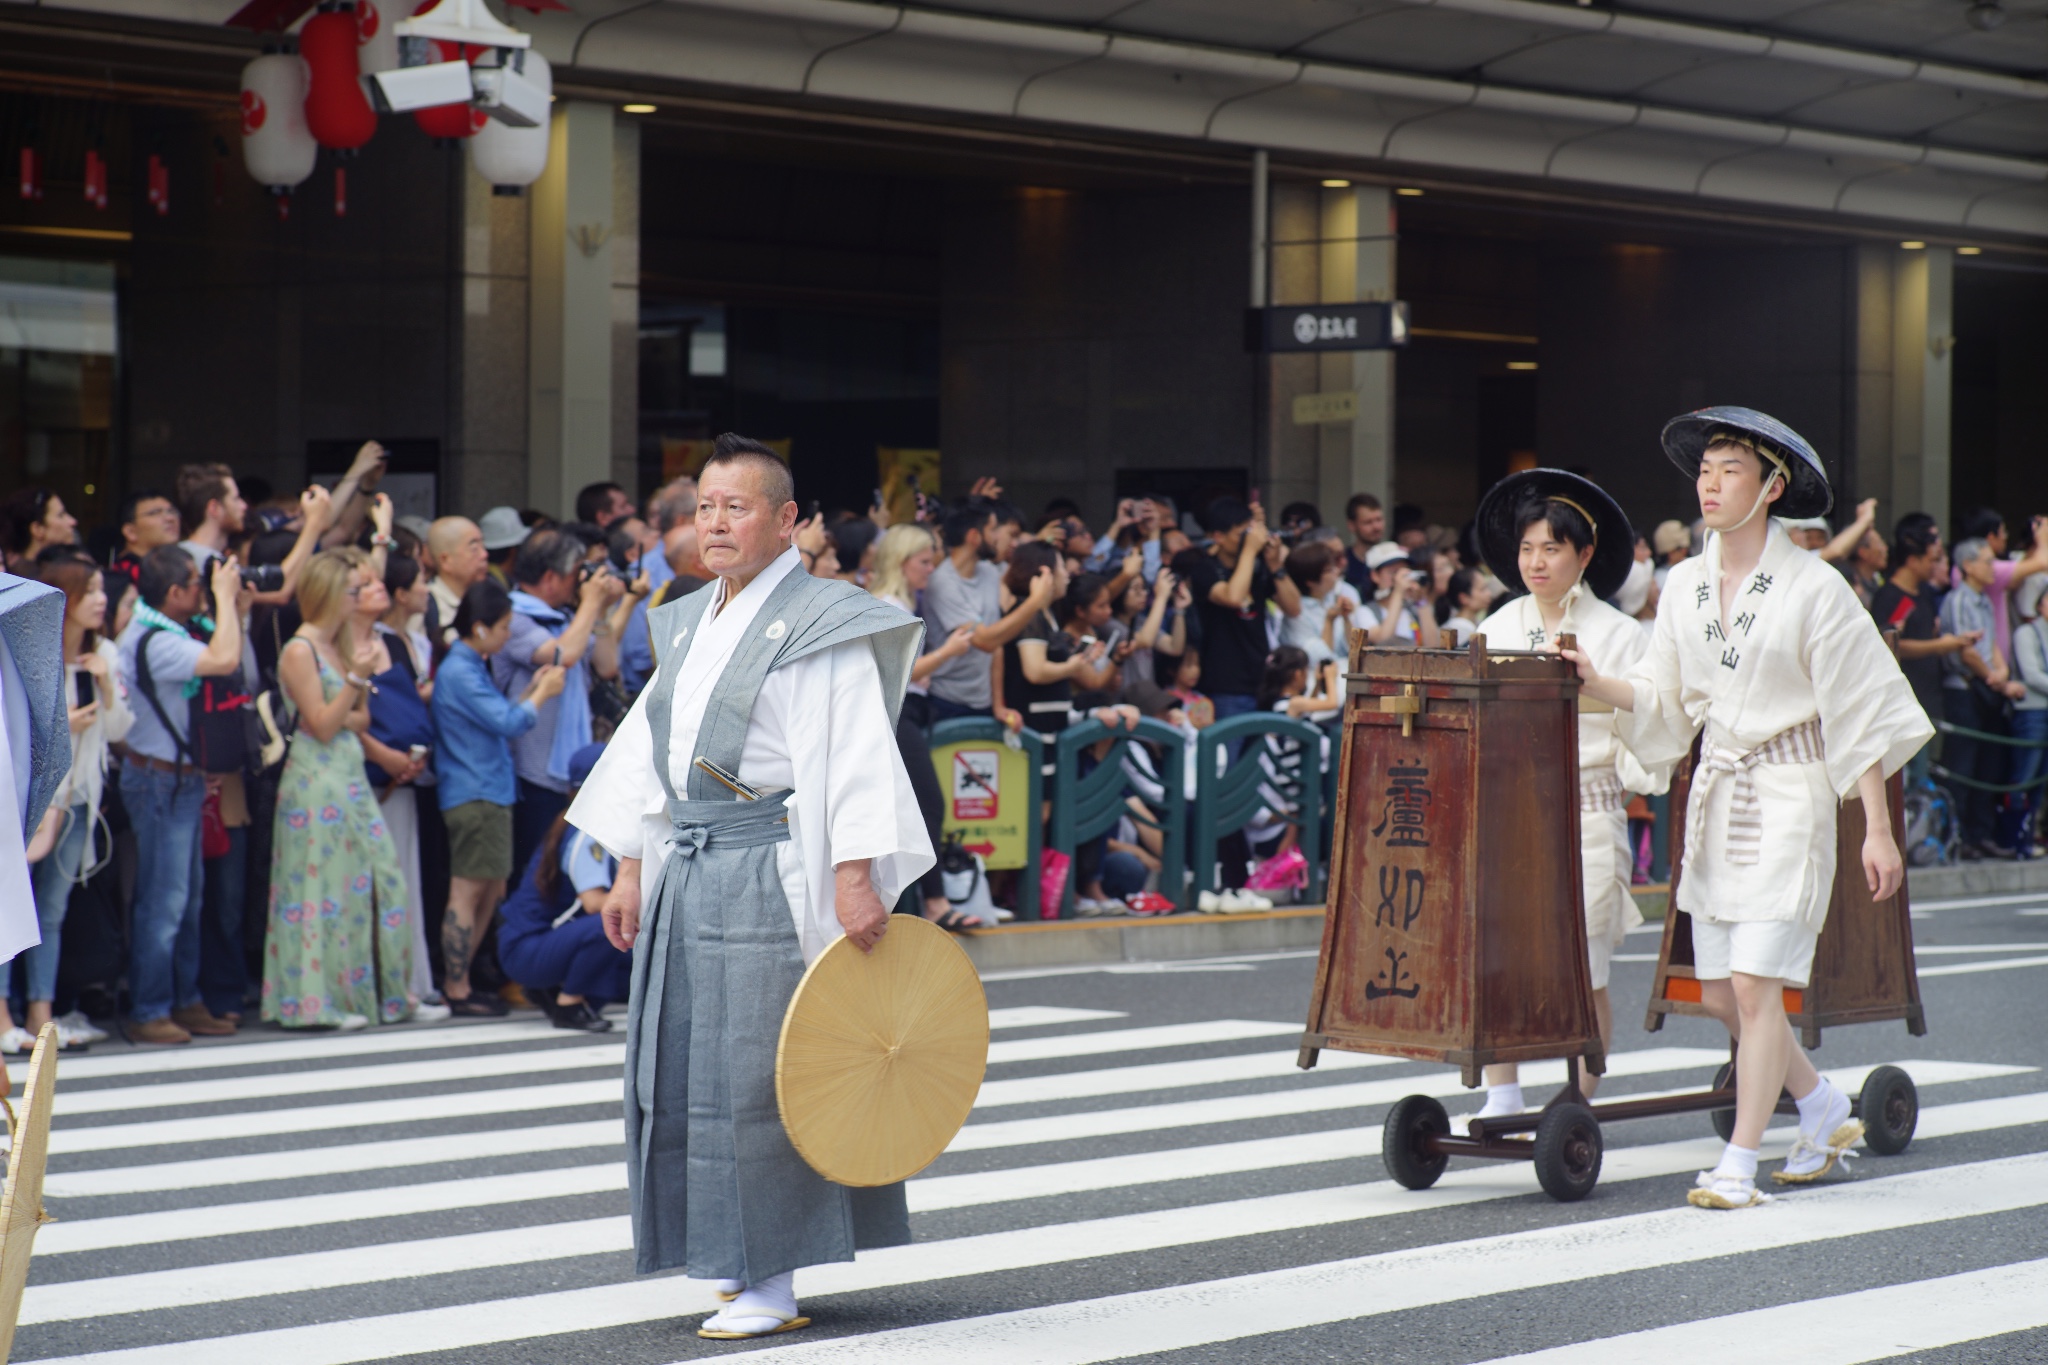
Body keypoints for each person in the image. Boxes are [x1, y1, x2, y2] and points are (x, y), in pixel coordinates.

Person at [568, 433, 932, 1340]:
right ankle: (734, 1255)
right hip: (692, 861)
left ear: (788, 520)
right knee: (686, 1067)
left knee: (762, 1075)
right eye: (704, 507)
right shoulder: (688, 618)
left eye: (738, 506)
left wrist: (857, 877)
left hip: (775, 867)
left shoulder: (823, 618)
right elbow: (650, 749)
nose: (717, 522)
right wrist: (628, 863)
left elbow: (852, 753)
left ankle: (774, 1271)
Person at [1565, 407, 1930, 1210]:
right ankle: (1823, 1102)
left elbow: (1856, 708)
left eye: (1730, 469)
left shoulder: (1814, 586)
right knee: (1722, 992)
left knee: (1759, 987)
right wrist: (1594, 680)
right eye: (1705, 469)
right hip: (1719, 791)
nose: (1711, 482)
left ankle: (1738, 1162)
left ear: (1771, 488)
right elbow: (1662, 697)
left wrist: (1875, 826)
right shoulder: (1686, 584)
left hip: (1792, 794)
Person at [1465, 470, 1669, 1124]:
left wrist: (1595, 682)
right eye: (1527, 548)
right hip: (1505, 816)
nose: (1536, 561)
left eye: (1551, 548)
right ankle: (1502, 1092)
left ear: (1584, 554)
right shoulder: (1496, 625)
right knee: (1497, 960)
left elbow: (1652, 715)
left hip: (1583, 811)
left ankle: (1576, 1103)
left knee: (1585, 969)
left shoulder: (1618, 632)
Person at [260, 553, 419, 1030]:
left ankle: (378, 994)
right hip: (314, 779)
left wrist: (343, 697)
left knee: (372, 881)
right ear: (330, 592)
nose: (358, 598)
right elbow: (326, 725)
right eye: (352, 590)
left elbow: (357, 719)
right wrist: (351, 685)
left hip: (345, 777)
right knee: (317, 889)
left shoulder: (338, 645)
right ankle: (314, 1002)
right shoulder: (300, 649)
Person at [116, 545, 246, 1044]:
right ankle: (150, 1008)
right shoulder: (158, 640)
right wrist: (226, 599)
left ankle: (185, 1001)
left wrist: (225, 598)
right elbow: (225, 657)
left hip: (180, 778)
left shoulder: (166, 629)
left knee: (187, 899)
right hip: (159, 782)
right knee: (164, 901)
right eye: (197, 583)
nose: (204, 589)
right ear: (174, 593)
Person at [6, 552, 132, 1052]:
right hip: (36, 796)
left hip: (81, 795)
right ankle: (6, 1017)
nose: (103, 601)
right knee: (12, 902)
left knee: (52, 907)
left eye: (103, 590)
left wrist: (103, 682)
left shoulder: (107, 653)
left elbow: (123, 729)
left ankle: (43, 1012)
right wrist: (66, 729)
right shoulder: (32, 648)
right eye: (92, 592)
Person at [433, 579, 566, 1015]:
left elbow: (499, 717)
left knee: (488, 890)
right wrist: (542, 695)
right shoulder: (460, 670)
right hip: (475, 793)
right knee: (468, 891)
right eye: (505, 626)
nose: (510, 634)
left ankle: (464, 980)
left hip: (487, 791)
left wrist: (531, 691)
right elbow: (508, 723)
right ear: (481, 627)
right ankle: (457, 987)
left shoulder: (471, 664)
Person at [496, 529, 626, 887]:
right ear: (551, 577)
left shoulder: (569, 616)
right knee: (533, 869)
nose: (579, 583)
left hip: (569, 767)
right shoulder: (515, 615)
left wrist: (599, 609)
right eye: (574, 574)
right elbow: (562, 655)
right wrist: (589, 604)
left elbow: (607, 665)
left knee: (562, 868)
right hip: (532, 770)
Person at [870, 523, 984, 929]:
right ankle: (933, 903)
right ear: (902, 562)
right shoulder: (889, 604)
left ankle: (917, 902)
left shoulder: (898, 602)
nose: (930, 570)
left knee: (916, 808)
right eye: (924, 562)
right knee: (925, 806)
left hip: (908, 713)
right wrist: (951, 651)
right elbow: (901, 672)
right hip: (899, 713)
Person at [351, 551, 447, 1015]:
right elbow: (340, 714)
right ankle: (375, 984)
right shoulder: (336, 642)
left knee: (402, 880)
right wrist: (385, 755)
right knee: (368, 884)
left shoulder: (393, 640)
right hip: (360, 777)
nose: (376, 588)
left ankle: (406, 981)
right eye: (362, 584)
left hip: (401, 778)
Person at [498, 743, 631, 1032]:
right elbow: (594, 902)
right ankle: (568, 1004)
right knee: (612, 921)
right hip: (528, 950)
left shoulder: (579, 820)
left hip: (537, 944)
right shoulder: (588, 830)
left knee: (628, 964)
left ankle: (552, 991)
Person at [921, 500, 1053, 722]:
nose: (997, 537)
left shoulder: (990, 573)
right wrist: (1034, 602)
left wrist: (998, 705)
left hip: (984, 703)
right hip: (945, 702)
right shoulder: (942, 583)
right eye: (992, 529)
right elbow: (984, 640)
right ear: (974, 536)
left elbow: (997, 644)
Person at [1940, 538, 2028, 859]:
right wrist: (1999, 681)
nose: (1993, 568)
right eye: (1987, 562)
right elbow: (1968, 652)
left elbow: (1990, 645)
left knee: (1986, 766)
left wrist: (2001, 670)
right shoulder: (1959, 600)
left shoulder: (1984, 601)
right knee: (1963, 766)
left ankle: (1981, 834)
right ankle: (1959, 837)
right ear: (1968, 566)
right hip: (1965, 688)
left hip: (1987, 687)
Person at [1871, 515, 1973, 791]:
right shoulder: (1892, 597)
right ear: (1913, 559)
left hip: (1928, 698)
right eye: (1931, 560)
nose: (1935, 566)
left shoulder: (1924, 593)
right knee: (1908, 783)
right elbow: (1890, 644)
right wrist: (1940, 646)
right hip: (1902, 704)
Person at [1177, 497, 1301, 721]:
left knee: (1262, 755)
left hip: (1262, 682)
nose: (1248, 541)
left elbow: (1294, 608)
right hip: (1225, 686)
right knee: (1229, 754)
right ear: (1218, 537)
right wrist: (1250, 551)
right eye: (1241, 535)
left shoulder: (1257, 565)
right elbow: (1233, 596)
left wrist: (1275, 566)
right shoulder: (1205, 568)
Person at [1952, 509, 2048, 667]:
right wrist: (2042, 537)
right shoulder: (1985, 569)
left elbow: (2018, 576)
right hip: (1983, 669)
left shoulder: (1970, 567)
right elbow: (2043, 562)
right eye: (2003, 531)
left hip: (1996, 664)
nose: (2006, 536)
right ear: (1991, 537)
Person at [106, 489, 182, 636]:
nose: (170, 518)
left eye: (172, 511)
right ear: (130, 531)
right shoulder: (121, 576)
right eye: (155, 513)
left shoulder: (174, 568)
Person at [2010, 575, 2048, 856]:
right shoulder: (2027, 632)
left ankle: (2033, 834)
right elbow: (2032, 674)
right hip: (2031, 711)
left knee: (2042, 777)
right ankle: (2016, 836)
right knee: (2026, 774)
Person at [1354, 542, 1441, 648]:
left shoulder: (1413, 609)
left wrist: (1421, 599)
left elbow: (1433, 646)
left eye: (1405, 572)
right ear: (1375, 576)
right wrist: (1398, 592)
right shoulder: (1365, 611)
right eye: (1394, 572)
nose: (1401, 578)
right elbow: (1382, 641)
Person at [424, 515, 492, 651]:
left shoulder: (487, 599)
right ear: (445, 560)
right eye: (474, 548)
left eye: (483, 546)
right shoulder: (427, 605)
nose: (484, 555)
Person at [1436, 567, 1496, 648]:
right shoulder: (1461, 627)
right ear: (1464, 598)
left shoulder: (1475, 623)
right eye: (1482, 589)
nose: (1489, 593)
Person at [1342, 493, 1387, 598]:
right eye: (1368, 522)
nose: (1376, 527)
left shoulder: (1394, 558)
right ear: (1352, 526)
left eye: (1379, 520)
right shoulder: (1343, 562)